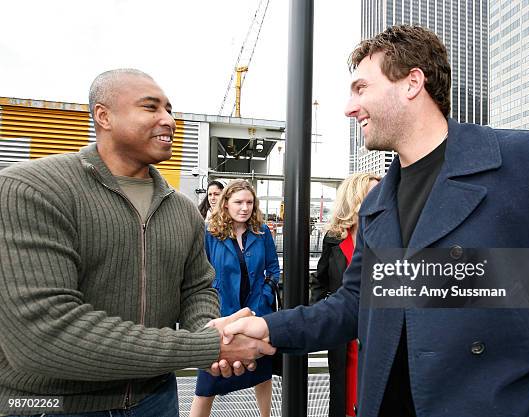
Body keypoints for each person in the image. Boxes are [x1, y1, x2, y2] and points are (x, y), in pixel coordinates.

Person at [218, 25, 529, 417]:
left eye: (361, 88)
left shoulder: (527, 162)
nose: (349, 107)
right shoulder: (378, 203)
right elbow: (355, 303)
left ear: (412, 83)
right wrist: (270, 330)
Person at [0, 69, 271, 417]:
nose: (168, 120)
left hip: (155, 400)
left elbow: (198, 289)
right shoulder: (32, 190)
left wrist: (210, 332)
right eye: (150, 107)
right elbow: (43, 335)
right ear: (104, 116)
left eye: (170, 110)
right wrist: (205, 346)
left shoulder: (182, 209)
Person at [190, 180, 280, 417]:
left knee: (262, 374)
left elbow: (273, 269)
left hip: (256, 314)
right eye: (238, 202)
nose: (244, 207)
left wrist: (265, 295)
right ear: (226, 203)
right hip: (223, 319)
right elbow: (199, 273)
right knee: (207, 385)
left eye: (249, 202)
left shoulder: (261, 233)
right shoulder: (210, 234)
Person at [310, 172, 379, 417]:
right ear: (354, 199)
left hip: (377, 335)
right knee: (343, 393)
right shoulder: (333, 239)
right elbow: (321, 281)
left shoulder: (390, 239)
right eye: (373, 194)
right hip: (343, 336)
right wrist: (318, 318)